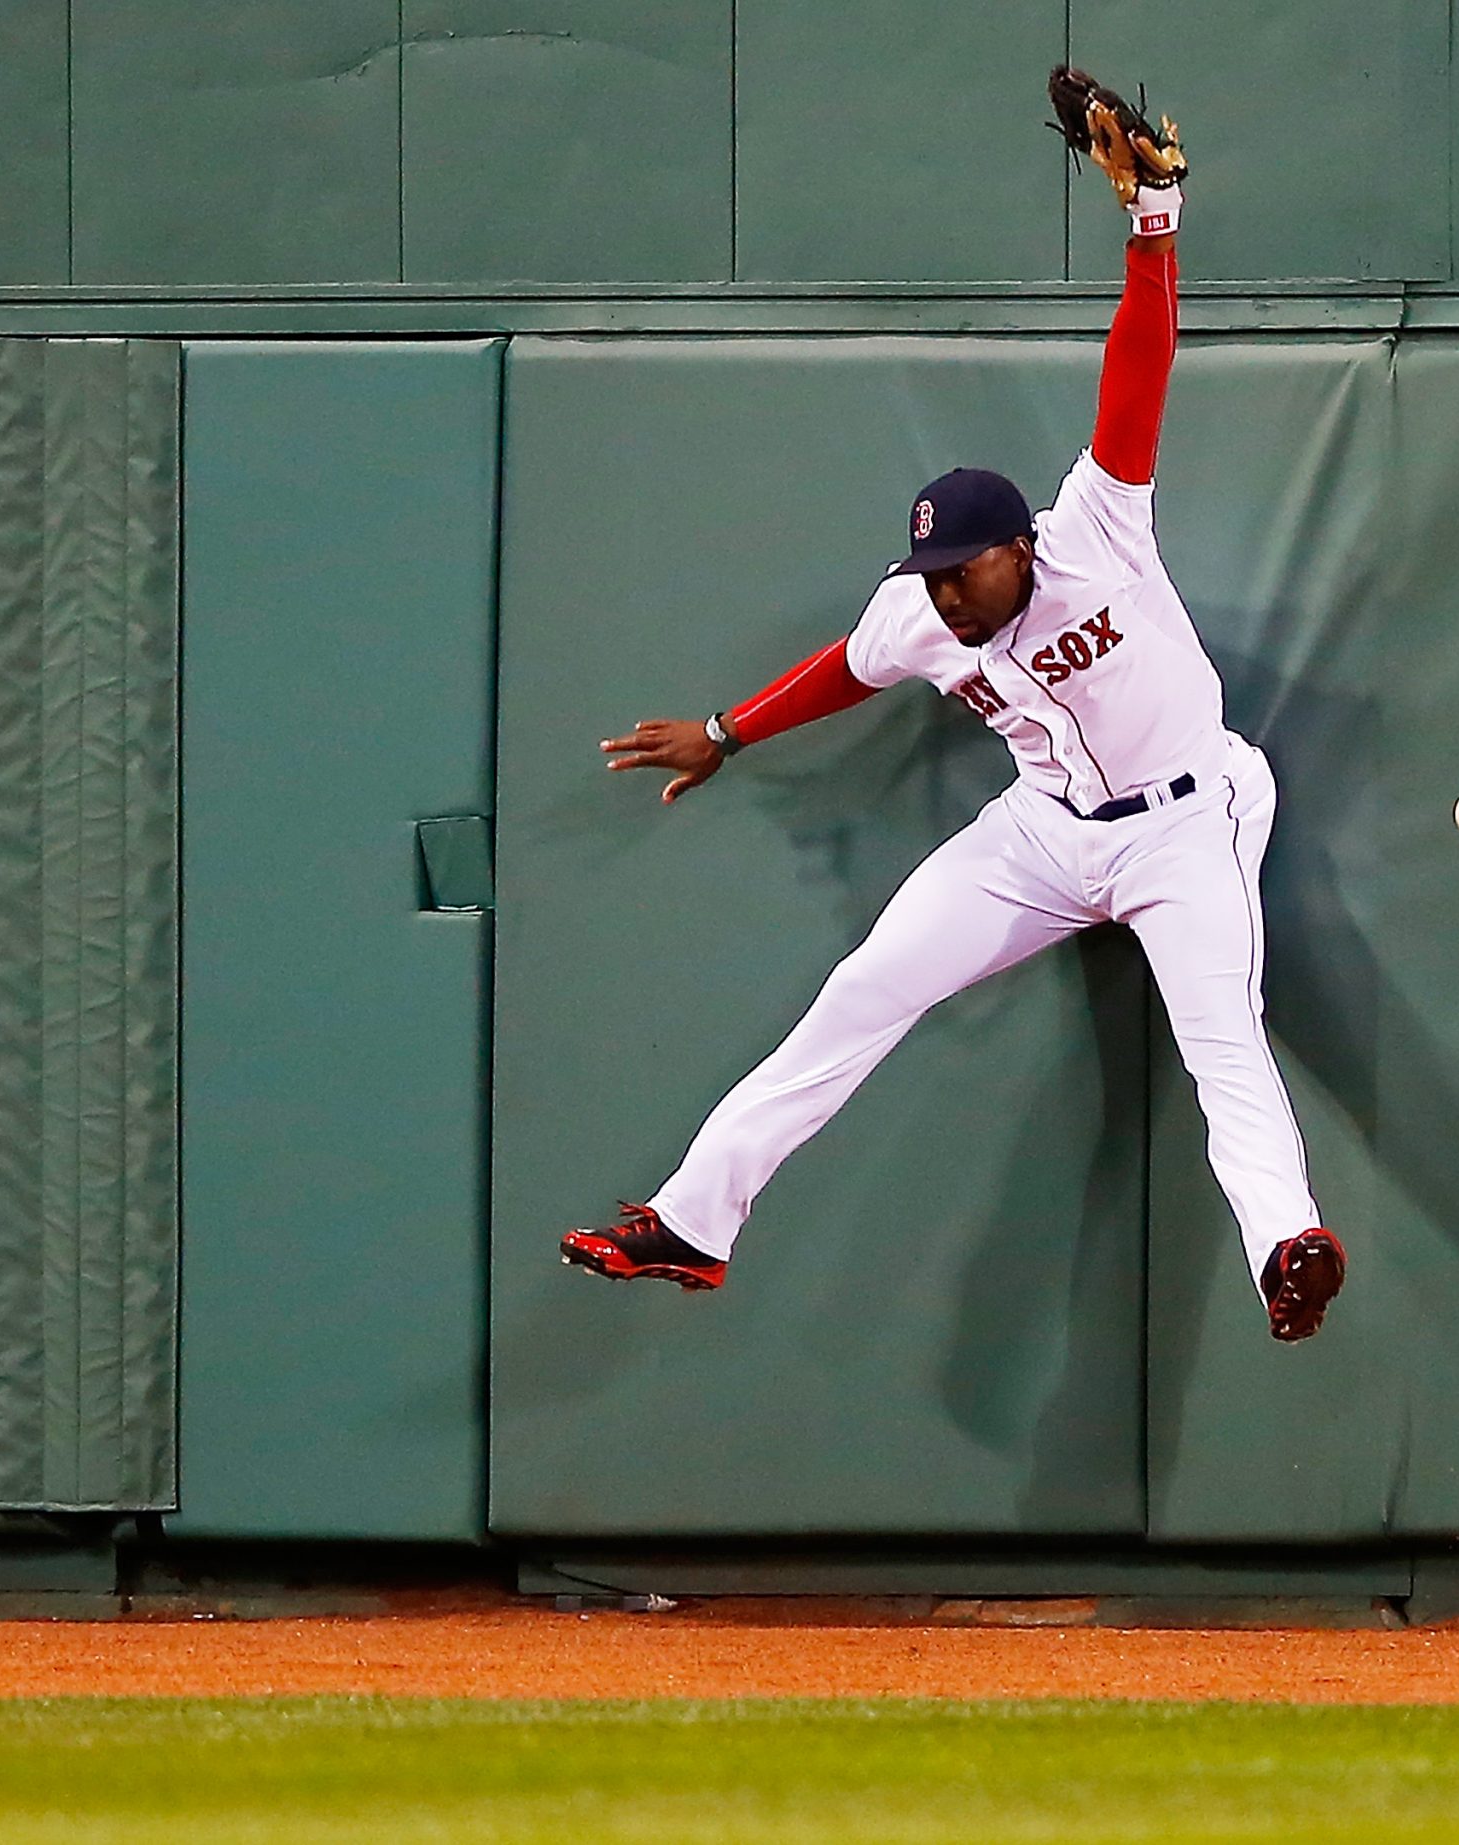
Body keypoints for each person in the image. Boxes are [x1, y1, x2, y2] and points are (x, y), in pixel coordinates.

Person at [562, 101, 1345, 1342]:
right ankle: (694, 1225)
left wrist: (1154, 224)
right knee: (865, 985)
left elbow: (1135, 367)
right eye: (934, 572)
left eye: (969, 569)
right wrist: (726, 730)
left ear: (1019, 548)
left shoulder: (1096, 533)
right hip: (1041, 835)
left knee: (1220, 1044)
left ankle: (1286, 1248)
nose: (947, 590)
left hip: (1190, 820)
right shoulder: (919, 615)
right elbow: (845, 670)